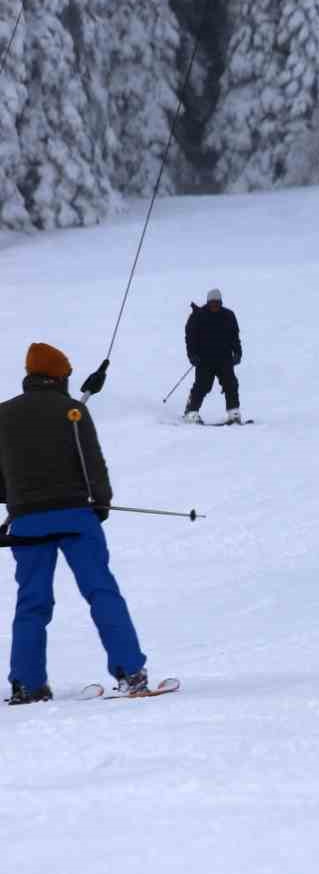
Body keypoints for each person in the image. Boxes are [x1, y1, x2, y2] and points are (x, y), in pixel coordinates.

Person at [0, 343, 150, 704]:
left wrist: (18, 502)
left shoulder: (3, 415)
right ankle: (131, 673)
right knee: (101, 592)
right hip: (75, 517)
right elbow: (92, 464)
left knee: (31, 602)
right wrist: (100, 503)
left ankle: (27, 685)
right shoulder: (73, 411)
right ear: (59, 375)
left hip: (27, 522)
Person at [182, 288, 243, 425]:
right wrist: (192, 355)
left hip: (224, 359)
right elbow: (190, 338)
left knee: (231, 384)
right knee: (202, 386)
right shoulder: (198, 316)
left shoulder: (228, 315)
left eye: (217, 303)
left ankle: (233, 412)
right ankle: (191, 412)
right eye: (212, 303)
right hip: (204, 360)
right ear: (208, 302)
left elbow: (234, 336)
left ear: (221, 302)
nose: (214, 305)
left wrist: (238, 352)